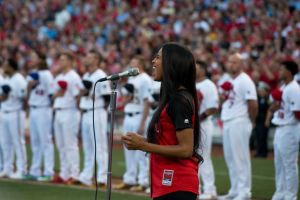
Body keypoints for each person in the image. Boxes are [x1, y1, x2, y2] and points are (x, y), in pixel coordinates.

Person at [122, 43, 201, 200]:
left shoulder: (179, 100)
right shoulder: (172, 98)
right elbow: (168, 141)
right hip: (167, 183)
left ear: (171, 64)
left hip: (177, 184)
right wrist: (140, 142)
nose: (153, 61)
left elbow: (186, 149)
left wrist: (143, 145)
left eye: (158, 57)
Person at [219, 53, 258, 200]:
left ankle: (244, 192)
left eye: (234, 62)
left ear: (241, 64)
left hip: (240, 120)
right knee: (230, 157)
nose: (231, 64)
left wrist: (251, 120)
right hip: (228, 120)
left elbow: (252, 103)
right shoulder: (229, 79)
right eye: (229, 62)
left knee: (240, 158)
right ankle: (235, 190)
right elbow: (223, 100)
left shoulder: (245, 80)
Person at [114, 57, 152, 191]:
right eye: (130, 63)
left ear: (140, 65)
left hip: (139, 115)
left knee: (141, 151)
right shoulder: (131, 78)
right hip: (129, 114)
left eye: (133, 63)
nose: (131, 66)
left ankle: (143, 181)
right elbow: (128, 98)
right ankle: (129, 179)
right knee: (128, 149)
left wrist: (143, 122)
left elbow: (148, 101)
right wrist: (121, 103)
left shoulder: (146, 79)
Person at [77, 50, 110, 187]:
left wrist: (101, 109)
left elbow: (107, 96)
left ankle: (102, 177)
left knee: (100, 146)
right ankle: (86, 176)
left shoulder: (101, 75)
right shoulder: (86, 74)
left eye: (89, 56)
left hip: (97, 112)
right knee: (88, 147)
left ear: (96, 60)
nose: (86, 58)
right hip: (85, 112)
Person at [267, 61, 300, 200]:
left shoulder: (294, 88)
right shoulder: (283, 86)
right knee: (279, 164)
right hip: (280, 128)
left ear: (289, 72)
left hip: (290, 128)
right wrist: (275, 106)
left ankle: (290, 195)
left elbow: (298, 113)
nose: (279, 71)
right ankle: (280, 193)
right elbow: (277, 106)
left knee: (289, 164)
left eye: (282, 69)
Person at [52, 52, 83, 184]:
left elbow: (78, 96)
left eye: (63, 59)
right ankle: (64, 173)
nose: (60, 61)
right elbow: (54, 94)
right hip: (58, 111)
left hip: (70, 111)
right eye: (60, 59)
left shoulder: (74, 76)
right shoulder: (59, 76)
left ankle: (74, 174)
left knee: (70, 144)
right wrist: (58, 94)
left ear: (70, 61)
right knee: (60, 144)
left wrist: (77, 112)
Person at [25, 50, 55, 181]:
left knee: (46, 141)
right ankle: (35, 170)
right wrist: (30, 86)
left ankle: (49, 171)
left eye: (34, 56)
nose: (31, 59)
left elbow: (51, 93)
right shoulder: (31, 74)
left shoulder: (47, 74)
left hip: (44, 109)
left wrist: (50, 109)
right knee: (35, 142)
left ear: (41, 59)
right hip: (33, 108)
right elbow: (28, 94)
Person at [0, 58, 27, 179]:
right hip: (4, 111)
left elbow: (24, 97)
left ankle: (22, 169)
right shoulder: (5, 78)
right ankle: (7, 168)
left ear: (12, 67)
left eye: (6, 65)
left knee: (18, 142)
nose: (4, 67)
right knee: (5, 142)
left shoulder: (19, 79)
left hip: (15, 112)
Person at [195, 60, 219, 200]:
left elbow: (213, 107)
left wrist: (199, 118)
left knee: (204, 156)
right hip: (192, 125)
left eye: (197, 67)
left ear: (203, 69)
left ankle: (210, 190)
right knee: (194, 157)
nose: (195, 70)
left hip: (204, 124)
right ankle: (196, 188)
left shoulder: (209, 85)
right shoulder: (191, 84)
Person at [253, 81, 270, 158]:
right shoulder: (258, 99)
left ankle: (264, 152)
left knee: (263, 137)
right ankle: (259, 152)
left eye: (261, 91)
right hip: (258, 120)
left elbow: (269, 110)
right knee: (258, 136)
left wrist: (267, 120)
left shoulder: (268, 99)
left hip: (264, 121)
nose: (260, 92)